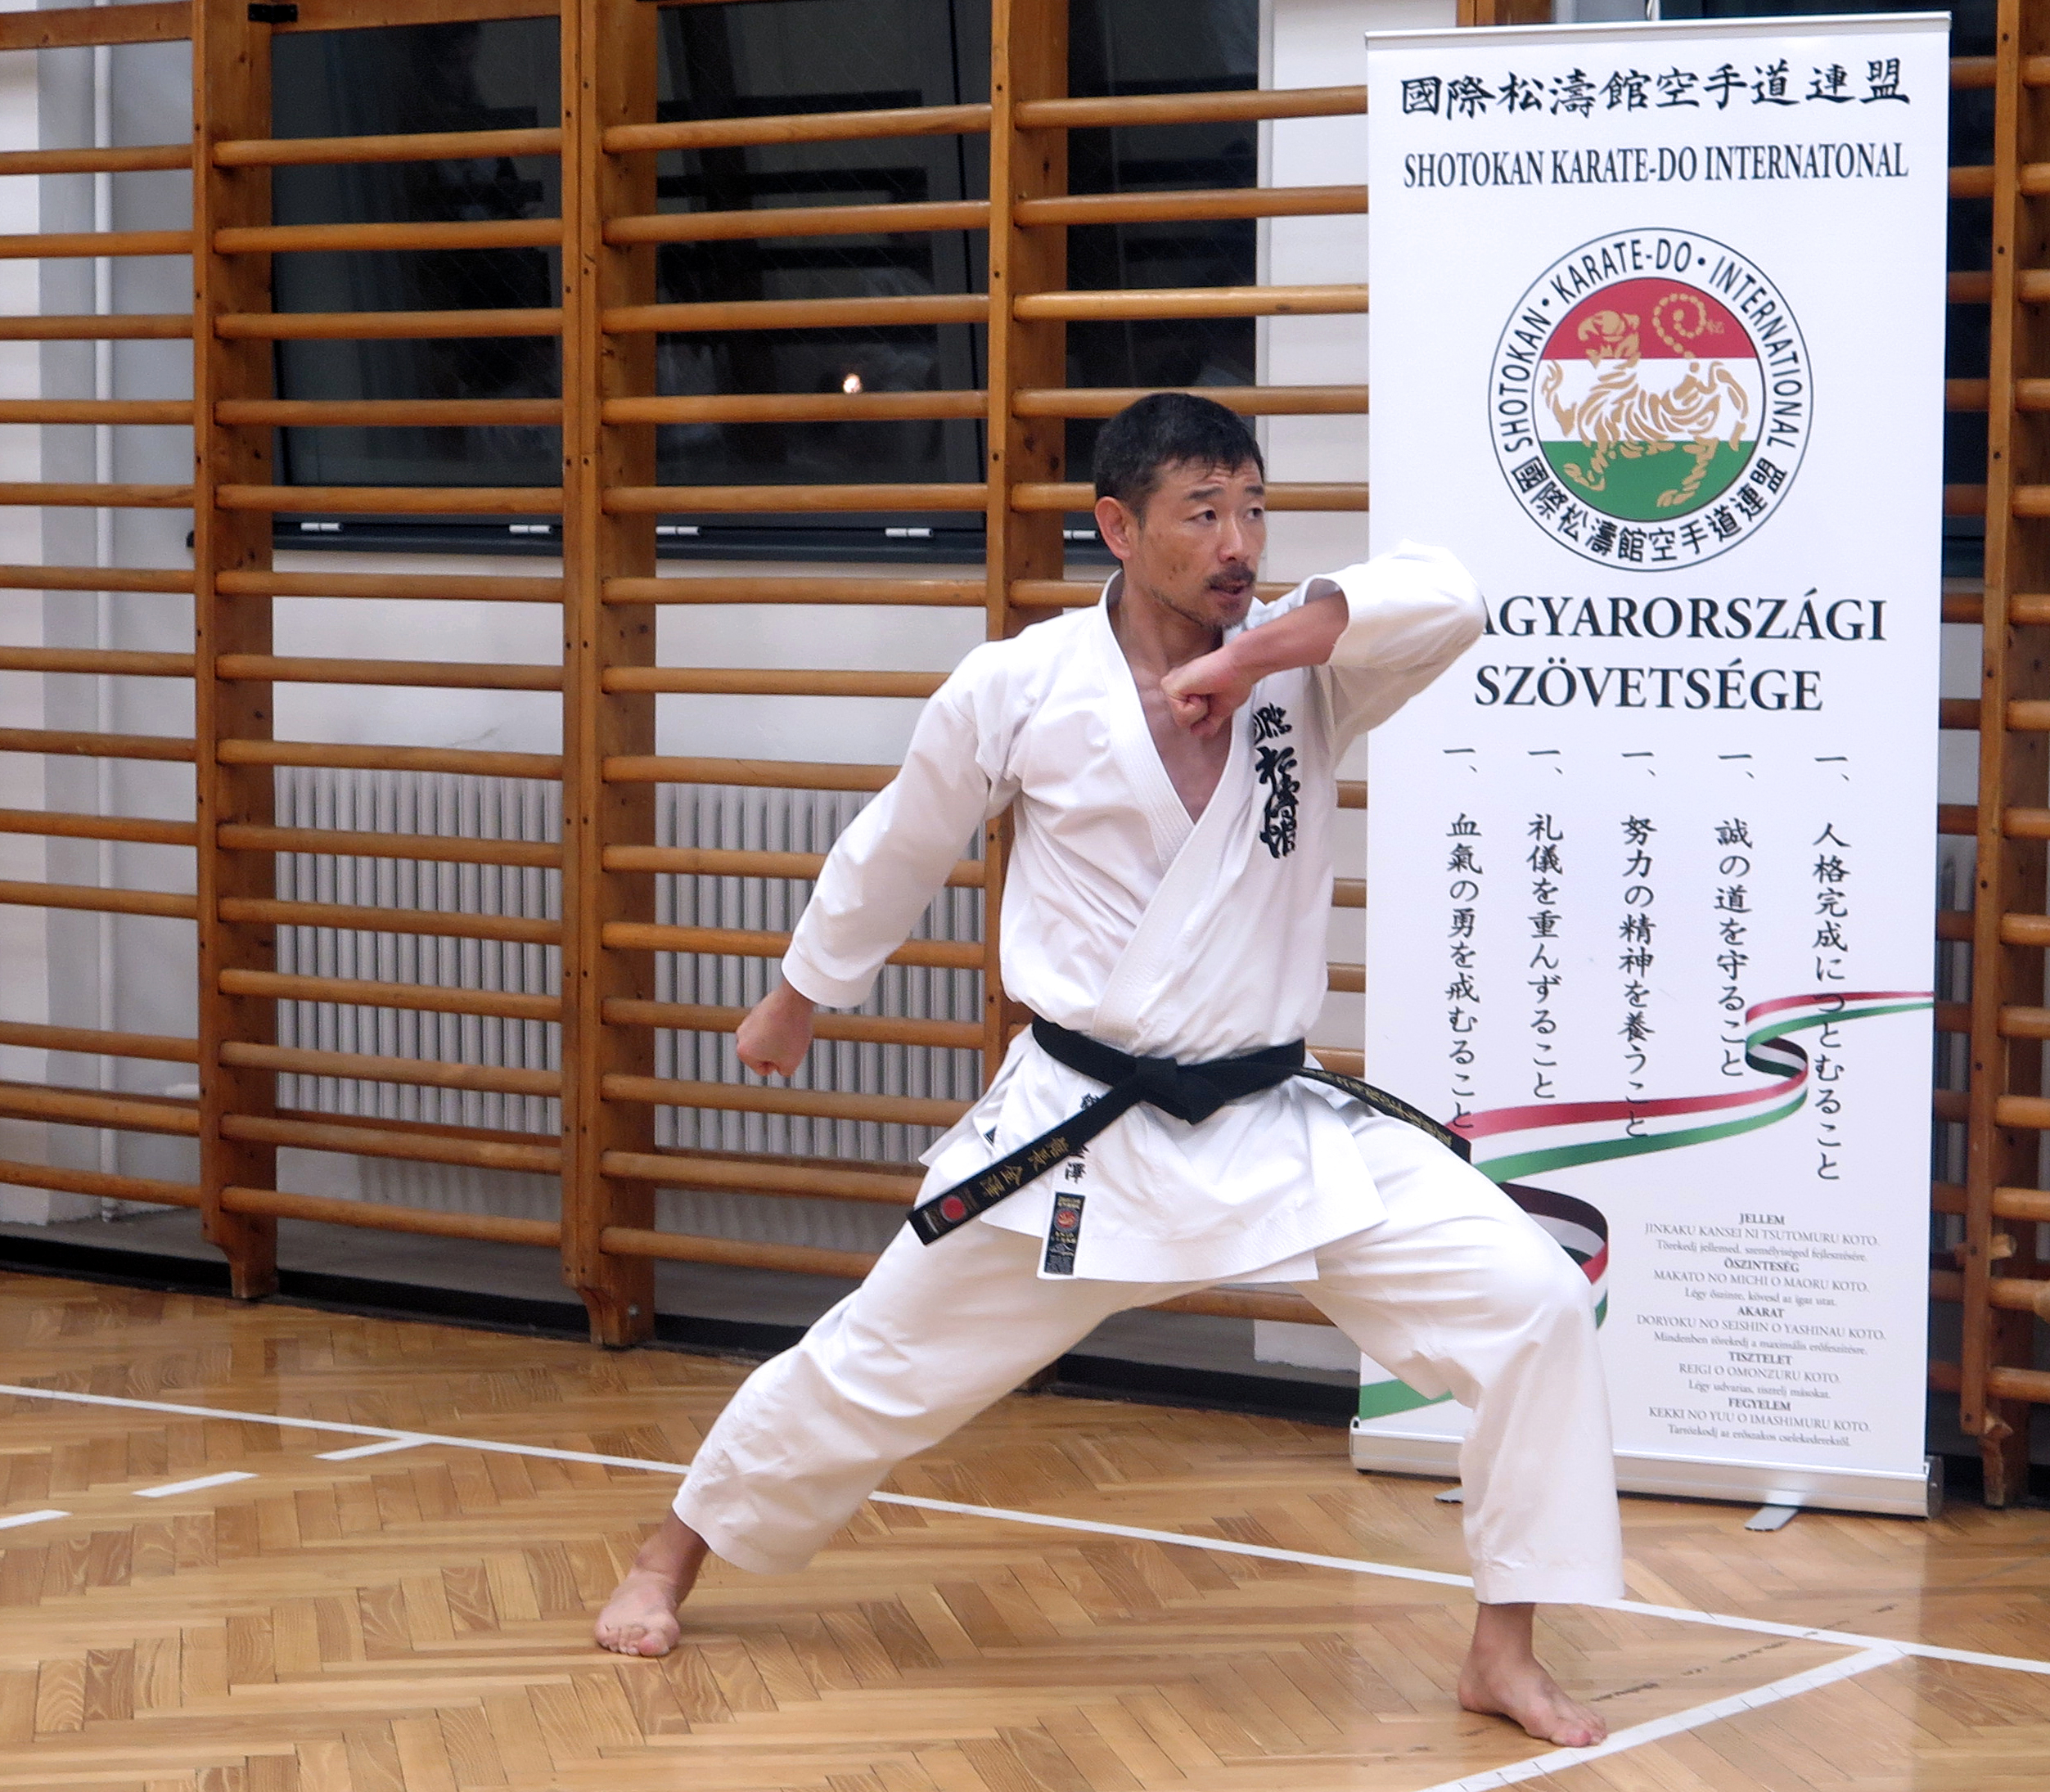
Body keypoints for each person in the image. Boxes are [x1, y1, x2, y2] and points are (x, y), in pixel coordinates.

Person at [594, 393, 1624, 1747]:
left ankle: (1502, 1649)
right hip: (1080, 1130)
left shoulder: (1307, 676)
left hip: (1271, 1118)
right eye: (1203, 512)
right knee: (872, 1364)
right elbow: (900, 842)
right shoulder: (1021, 685)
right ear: (1119, 529)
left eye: (1253, 508)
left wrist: (1261, 650)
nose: (1239, 541)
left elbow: (1449, 597)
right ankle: (671, 1551)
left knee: (1532, 1303)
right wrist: (798, 996)